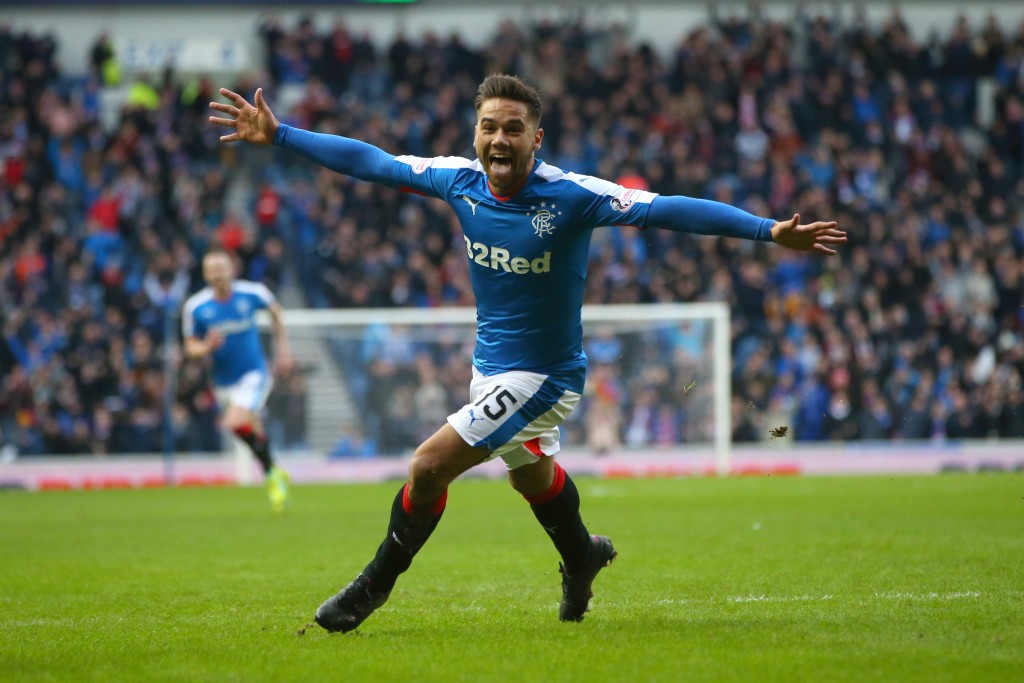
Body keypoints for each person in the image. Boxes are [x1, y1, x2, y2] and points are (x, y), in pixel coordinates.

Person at [209, 74, 845, 631]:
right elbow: (371, 161)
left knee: (428, 467)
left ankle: (371, 587)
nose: (499, 140)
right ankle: (582, 555)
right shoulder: (459, 180)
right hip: (489, 371)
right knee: (530, 475)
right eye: (489, 127)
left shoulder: (572, 194)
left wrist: (766, 230)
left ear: (535, 139)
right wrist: (283, 134)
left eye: (514, 129)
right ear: (476, 133)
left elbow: (668, 209)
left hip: (546, 377)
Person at [181, 250, 294, 512]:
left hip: (254, 373)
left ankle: (271, 473)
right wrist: (206, 347)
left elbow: (276, 312)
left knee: (234, 421)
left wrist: (283, 351)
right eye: (213, 270)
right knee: (251, 427)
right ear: (206, 274)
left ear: (232, 269)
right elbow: (190, 348)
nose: (219, 274)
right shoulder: (196, 307)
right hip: (223, 381)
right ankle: (275, 473)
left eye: (223, 268)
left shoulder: (252, 293)